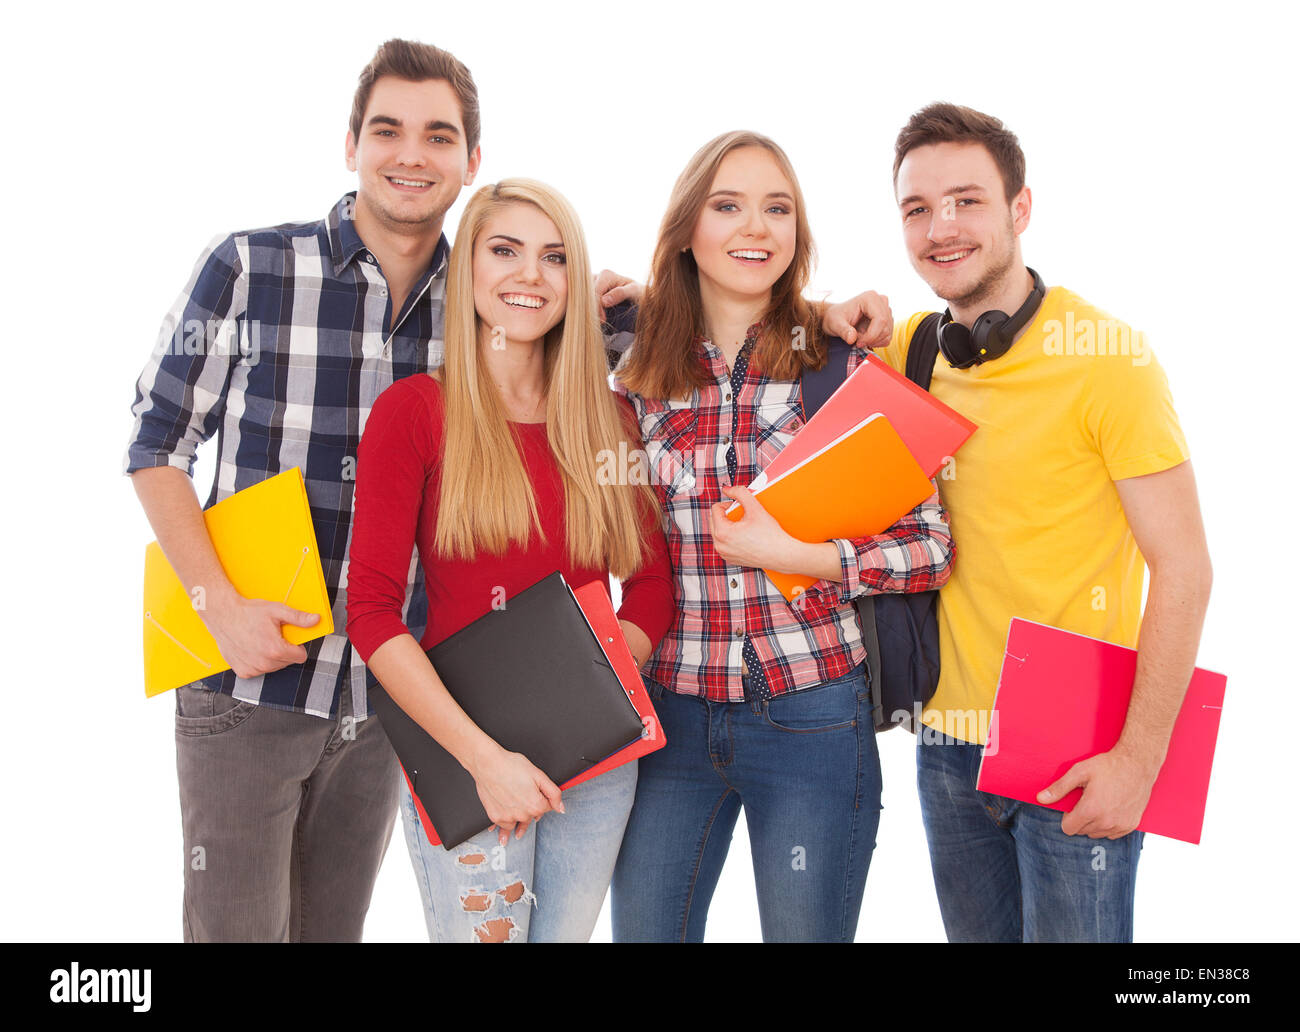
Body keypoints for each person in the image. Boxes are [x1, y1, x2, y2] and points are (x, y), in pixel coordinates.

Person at [122, 39, 484, 942]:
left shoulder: (484, 304)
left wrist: (825, 316)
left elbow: (636, 343)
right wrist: (216, 606)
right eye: (388, 130)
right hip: (249, 684)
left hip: (382, 700)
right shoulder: (250, 268)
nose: (412, 154)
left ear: (471, 161)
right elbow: (155, 443)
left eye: (439, 137)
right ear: (351, 144)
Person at [831, 102, 1213, 942]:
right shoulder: (913, 355)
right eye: (918, 209)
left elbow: (1186, 570)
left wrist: (1139, 761)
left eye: (967, 200)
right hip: (946, 743)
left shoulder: (1111, 362)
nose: (943, 227)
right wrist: (645, 296)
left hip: (1078, 749)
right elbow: (781, 353)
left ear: (1020, 209)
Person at [610, 131, 955, 943]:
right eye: (726, 206)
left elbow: (931, 545)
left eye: (777, 209)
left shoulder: (841, 365)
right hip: (669, 719)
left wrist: (806, 560)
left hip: (813, 717)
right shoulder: (629, 360)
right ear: (687, 226)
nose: (753, 228)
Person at [345, 179, 674, 943]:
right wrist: (484, 760)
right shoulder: (416, 412)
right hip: (463, 753)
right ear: (468, 274)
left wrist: (594, 688)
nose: (530, 274)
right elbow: (369, 610)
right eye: (505, 251)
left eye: (555, 257)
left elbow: (651, 585)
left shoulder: (611, 419)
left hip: (597, 758)